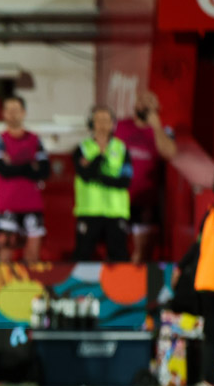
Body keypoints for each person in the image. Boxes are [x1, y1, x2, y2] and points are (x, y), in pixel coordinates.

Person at [180, 169, 214, 386]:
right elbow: (198, 245)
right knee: (211, 332)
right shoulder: (209, 215)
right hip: (211, 282)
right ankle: (208, 381)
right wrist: (181, 266)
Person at [114, 91, 177, 263]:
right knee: (117, 252)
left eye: (151, 102)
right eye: (142, 100)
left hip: (146, 201)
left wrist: (156, 126)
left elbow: (170, 153)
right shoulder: (120, 126)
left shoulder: (163, 130)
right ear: (135, 104)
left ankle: (135, 288)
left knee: (142, 254)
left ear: (157, 108)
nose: (145, 105)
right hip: (118, 199)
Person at [0, 95, 50, 263]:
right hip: (6, 204)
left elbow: (44, 171)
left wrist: (15, 165)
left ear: (24, 112)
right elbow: (3, 170)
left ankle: (31, 289)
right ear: (3, 113)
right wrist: (30, 166)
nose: (12, 114)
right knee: (5, 256)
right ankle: (2, 290)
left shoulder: (35, 139)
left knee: (32, 256)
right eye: (8, 110)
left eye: (16, 110)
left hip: (32, 204)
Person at [73, 106, 132, 262]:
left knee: (119, 255)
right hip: (89, 211)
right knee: (83, 254)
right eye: (98, 120)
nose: (102, 124)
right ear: (91, 123)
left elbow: (124, 181)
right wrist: (100, 157)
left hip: (115, 212)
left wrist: (96, 173)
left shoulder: (121, 148)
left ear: (113, 124)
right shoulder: (82, 148)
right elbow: (84, 175)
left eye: (106, 120)